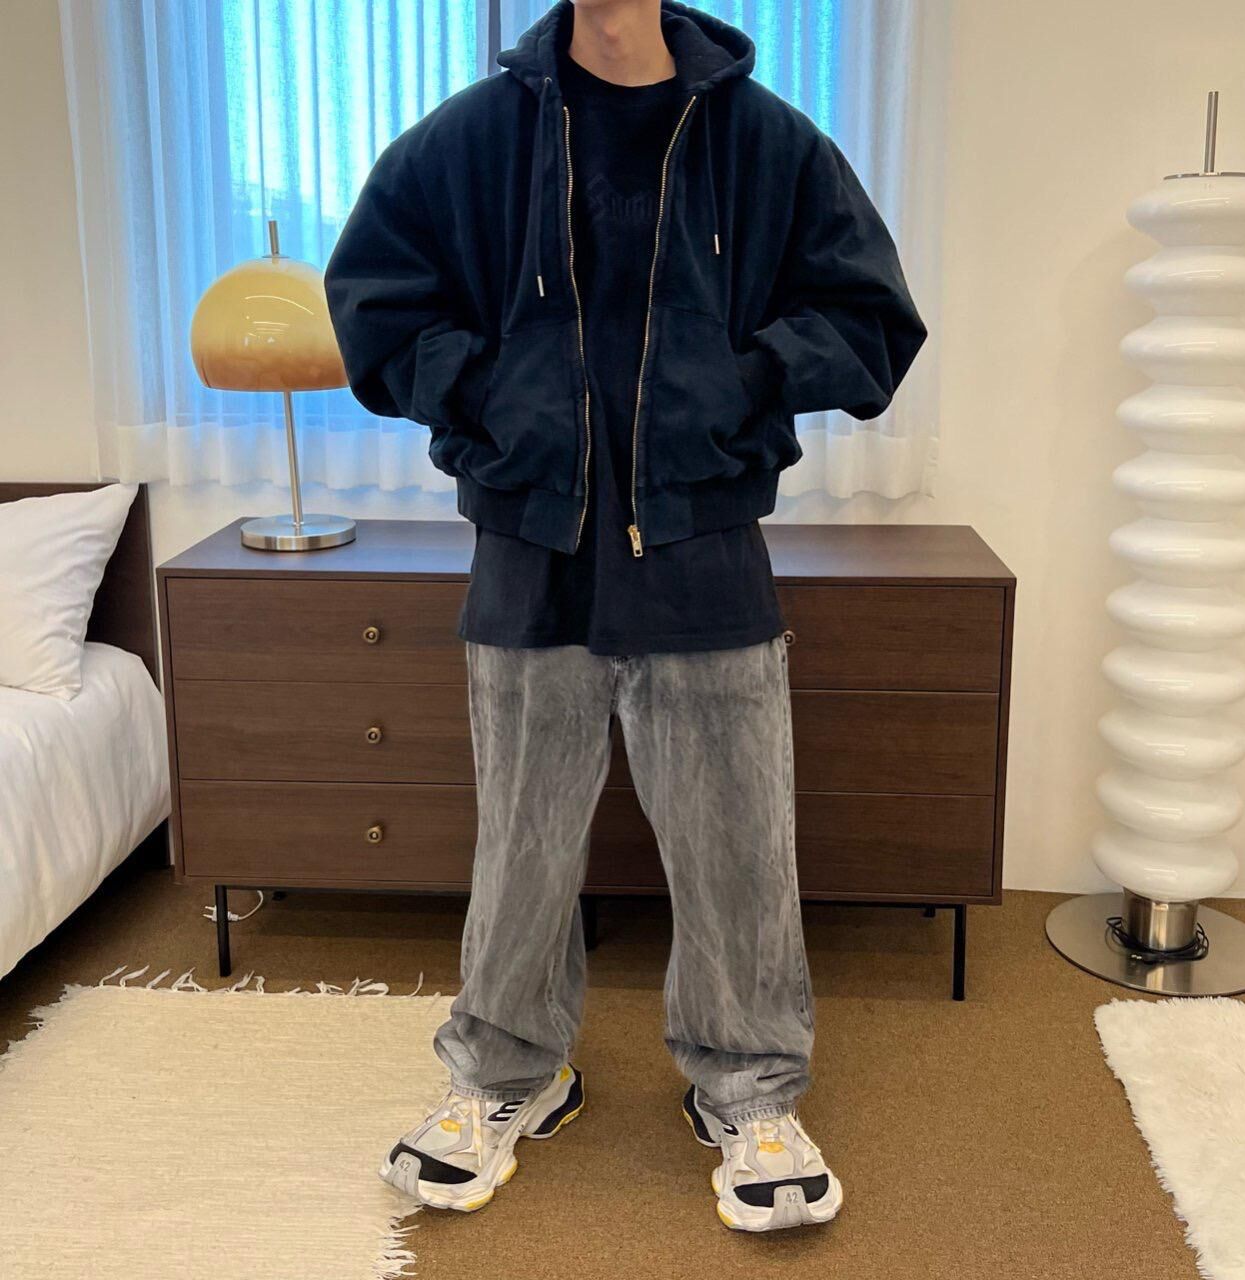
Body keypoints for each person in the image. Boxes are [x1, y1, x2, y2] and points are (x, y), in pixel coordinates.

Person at [325, 0, 925, 1233]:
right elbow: (374, 305)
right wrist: (487, 392)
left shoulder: (763, 140)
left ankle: (747, 1089)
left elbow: (869, 317)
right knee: (521, 844)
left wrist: (742, 381)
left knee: (735, 842)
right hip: (528, 541)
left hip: (701, 541)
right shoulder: (468, 139)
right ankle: (507, 1073)